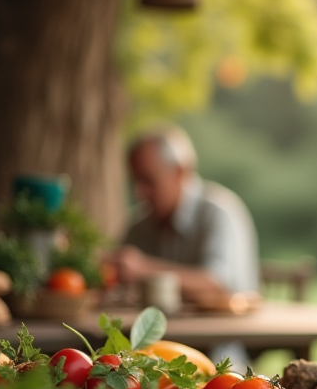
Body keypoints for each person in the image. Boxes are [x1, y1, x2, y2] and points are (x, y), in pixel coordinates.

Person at [110, 124, 260, 305]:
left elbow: (219, 283)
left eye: (148, 181)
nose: (138, 193)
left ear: (180, 172)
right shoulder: (139, 225)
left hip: (227, 332)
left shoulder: (218, 211)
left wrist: (143, 270)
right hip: (168, 332)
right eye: (135, 181)